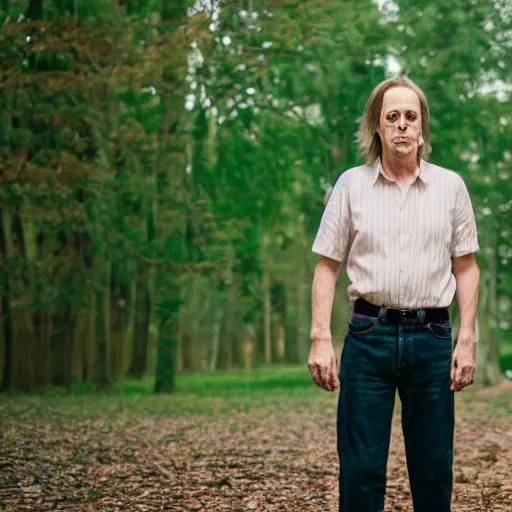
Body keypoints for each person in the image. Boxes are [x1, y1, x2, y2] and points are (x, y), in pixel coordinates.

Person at [308, 77, 480, 512]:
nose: (402, 125)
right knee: (361, 474)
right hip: (368, 338)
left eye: (410, 116)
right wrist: (321, 339)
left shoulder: (451, 187)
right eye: (392, 117)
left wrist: (467, 338)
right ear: (378, 128)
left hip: (433, 339)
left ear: (422, 128)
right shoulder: (351, 185)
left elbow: (467, 266)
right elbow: (327, 266)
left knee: (434, 472)